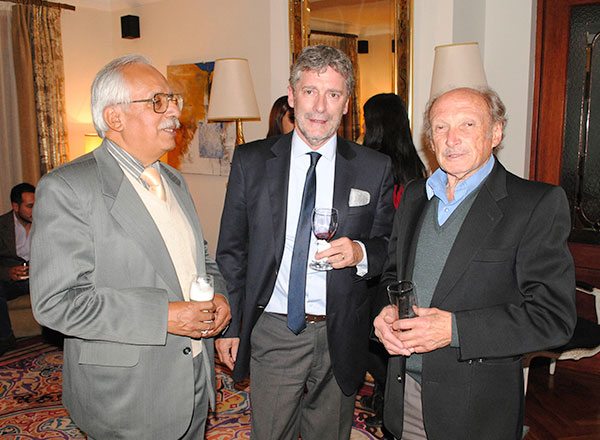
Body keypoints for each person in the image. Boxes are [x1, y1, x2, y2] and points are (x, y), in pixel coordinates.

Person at [30, 54, 231, 440]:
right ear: (115, 117)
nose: (174, 111)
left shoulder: (172, 179)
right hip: (127, 398)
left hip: (193, 379)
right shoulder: (68, 188)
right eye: (158, 101)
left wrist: (219, 296)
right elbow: (57, 302)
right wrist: (164, 316)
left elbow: (201, 259)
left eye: (173, 99)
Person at [373, 86, 577, 440]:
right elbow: (392, 276)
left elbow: (553, 318)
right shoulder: (415, 196)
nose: (451, 138)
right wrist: (385, 314)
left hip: (475, 410)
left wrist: (455, 330)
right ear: (430, 139)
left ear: (495, 133)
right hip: (404, 396)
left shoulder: (534, 205)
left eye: (467, 124)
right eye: (440, 127)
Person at [215, 45, 395, 440]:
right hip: (275, 327)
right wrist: (231, 326)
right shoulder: (251, 161)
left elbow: (389, 247)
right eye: (310, 91)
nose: (320, 106)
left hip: (341, 330)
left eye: (333, 94)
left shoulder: (374, 167)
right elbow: (232, 251)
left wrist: (360, 252)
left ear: (346, 103)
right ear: (292, 96)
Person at [361, 93, 427, 430]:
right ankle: (388, 401)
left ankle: (386, 404)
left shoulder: (369, 164)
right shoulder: (417, 168)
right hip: (403, 267)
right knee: (389, 342)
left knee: (370, 338)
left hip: (375, 265)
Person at [0, 182, 35, 355]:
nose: (35, 211)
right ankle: (6, 339)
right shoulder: (2, 226)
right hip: (12, 281)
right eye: (30, 206)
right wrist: (8, 272)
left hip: (39, 278)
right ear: (15, 206)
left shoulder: (47, 223)